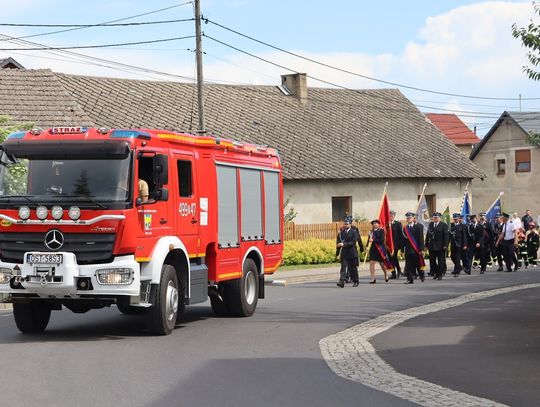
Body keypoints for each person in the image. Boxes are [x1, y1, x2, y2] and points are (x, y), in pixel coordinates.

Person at [336, 216, 360, 288]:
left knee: (353, 268)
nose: (345, 225)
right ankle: (341, 282)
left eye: (347, 224)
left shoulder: (354, 231)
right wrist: (337, 253)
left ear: (350, 224)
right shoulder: (341, 233)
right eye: (344, 224)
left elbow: (353, 242)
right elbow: (338, 243)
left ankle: (356, 281)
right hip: (344, 253)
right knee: (343, 268)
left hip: (352, 253)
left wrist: (344, 244)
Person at [425, 212, 449, 280]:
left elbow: (446, 236)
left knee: (440, 261)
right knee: (432, 261)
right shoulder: (431, 224)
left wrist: (445, 245)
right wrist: (426, 244)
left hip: (440, 246)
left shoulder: (444, 225)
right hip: (432, 245)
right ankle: (436, 272)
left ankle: (440, 274)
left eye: (437, 217)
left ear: (439, 218)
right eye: (434, 217)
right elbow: (428, 235)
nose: (435, 218)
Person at [402, 212, 425, 284]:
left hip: (416, 249)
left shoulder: (418, 227)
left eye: (410, 218)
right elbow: (403, 240)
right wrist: (402, 250)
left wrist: (421, 249)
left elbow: (421, 239)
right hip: (408, 250)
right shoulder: (405, 228)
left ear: (413, 218)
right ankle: (410, 279)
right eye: (407, 218)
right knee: (408, 265)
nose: (408, 219)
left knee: (418, 264)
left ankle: (421, 274)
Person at [367, 219, 390, 284]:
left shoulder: (382, 231)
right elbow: (369, 240)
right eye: (373, 223)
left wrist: (373, 240)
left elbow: (381, 240)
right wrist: (367, 247)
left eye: (376, 223)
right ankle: (373, 278)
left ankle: (385, 274)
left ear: (378, 224)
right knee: (372, 263)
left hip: (380, 249)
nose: (374, 224)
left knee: (382, 264)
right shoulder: (371, 232)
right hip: (373, 249)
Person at [389, 210, 404, 279]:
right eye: (389, 216)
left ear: (394, 216)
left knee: (394, 258)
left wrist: (401, 247)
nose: (390, 217)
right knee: (390, 259)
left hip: (395, 245)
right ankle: (393, 273)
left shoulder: (398, 224)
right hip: (388, 246)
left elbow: (401, 235)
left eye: (392, 216)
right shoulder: (385, 224)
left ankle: (398, 270)